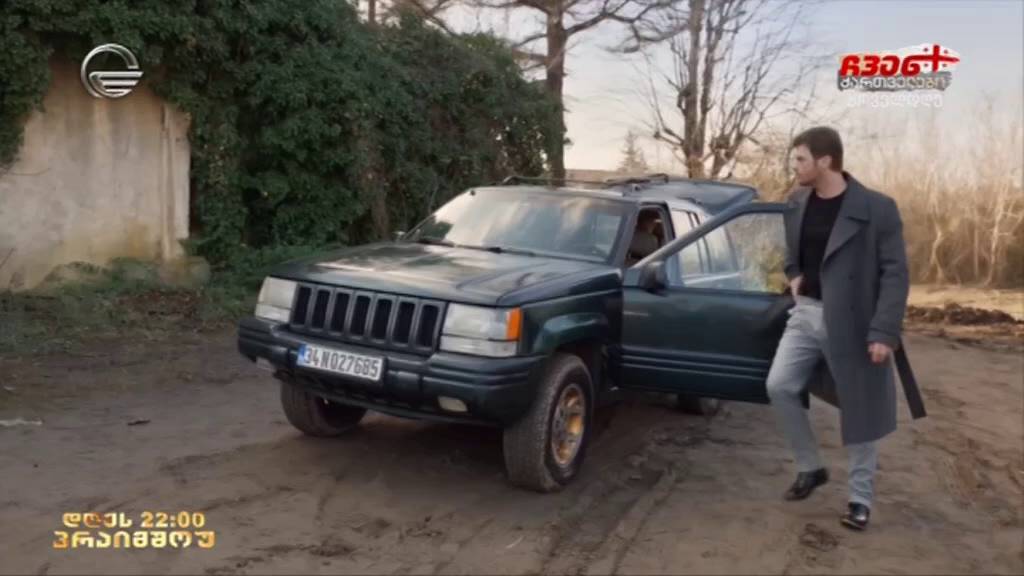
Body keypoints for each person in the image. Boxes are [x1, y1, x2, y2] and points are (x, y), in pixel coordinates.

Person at [766, 126, 914, 531]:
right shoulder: (797, 202)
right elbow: (791, 254)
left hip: (852, 321)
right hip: (806, 313)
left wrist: (884, 331)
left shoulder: (877, 208)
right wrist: (794, 274)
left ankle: (860, 498)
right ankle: (811, 467)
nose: (795, 166)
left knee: (858, 405)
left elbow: (895, 273)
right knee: (779, 385)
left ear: (825, 161)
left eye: (800, 159)